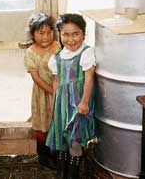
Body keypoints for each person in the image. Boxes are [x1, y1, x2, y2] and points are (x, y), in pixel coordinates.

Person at [46, 13, 96, 179]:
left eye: (76, 34)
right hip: (62, 104)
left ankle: (73, 173)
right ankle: (61, 172)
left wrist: (84, 102)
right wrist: (54, 105)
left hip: (78, 103)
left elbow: (89, 78)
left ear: (83, 34)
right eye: (66, 35)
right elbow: (56, 82)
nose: (71, 39)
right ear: (59, 35)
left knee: (76, 136)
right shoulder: (57, 57)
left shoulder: (86, 53)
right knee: (61, 135)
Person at [24, 13, 60, 169]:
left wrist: (59, 91)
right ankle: (43, 157)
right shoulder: (30, 52)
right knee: (42, 124)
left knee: (58, 122)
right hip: (42, 94)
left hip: (60, 92)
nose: (45, 37)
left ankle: (58, 155)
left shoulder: (58, 46)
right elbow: (35, 77)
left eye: (49, 32)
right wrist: (52, 91)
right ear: (32, 34)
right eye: (41, 33)